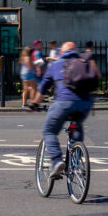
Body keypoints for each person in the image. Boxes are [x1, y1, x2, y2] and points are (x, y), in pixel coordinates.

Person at [38, 41, 100, 170]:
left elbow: (42, 87)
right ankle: (75, 161)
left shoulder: (56, 64)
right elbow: (97, 77)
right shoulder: (84, 62)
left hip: (64, 103)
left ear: (61, 52)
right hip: (85, 104)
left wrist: (33, 103)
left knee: (49, 131)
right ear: (75, 51)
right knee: (77, 126)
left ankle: (56, 161)